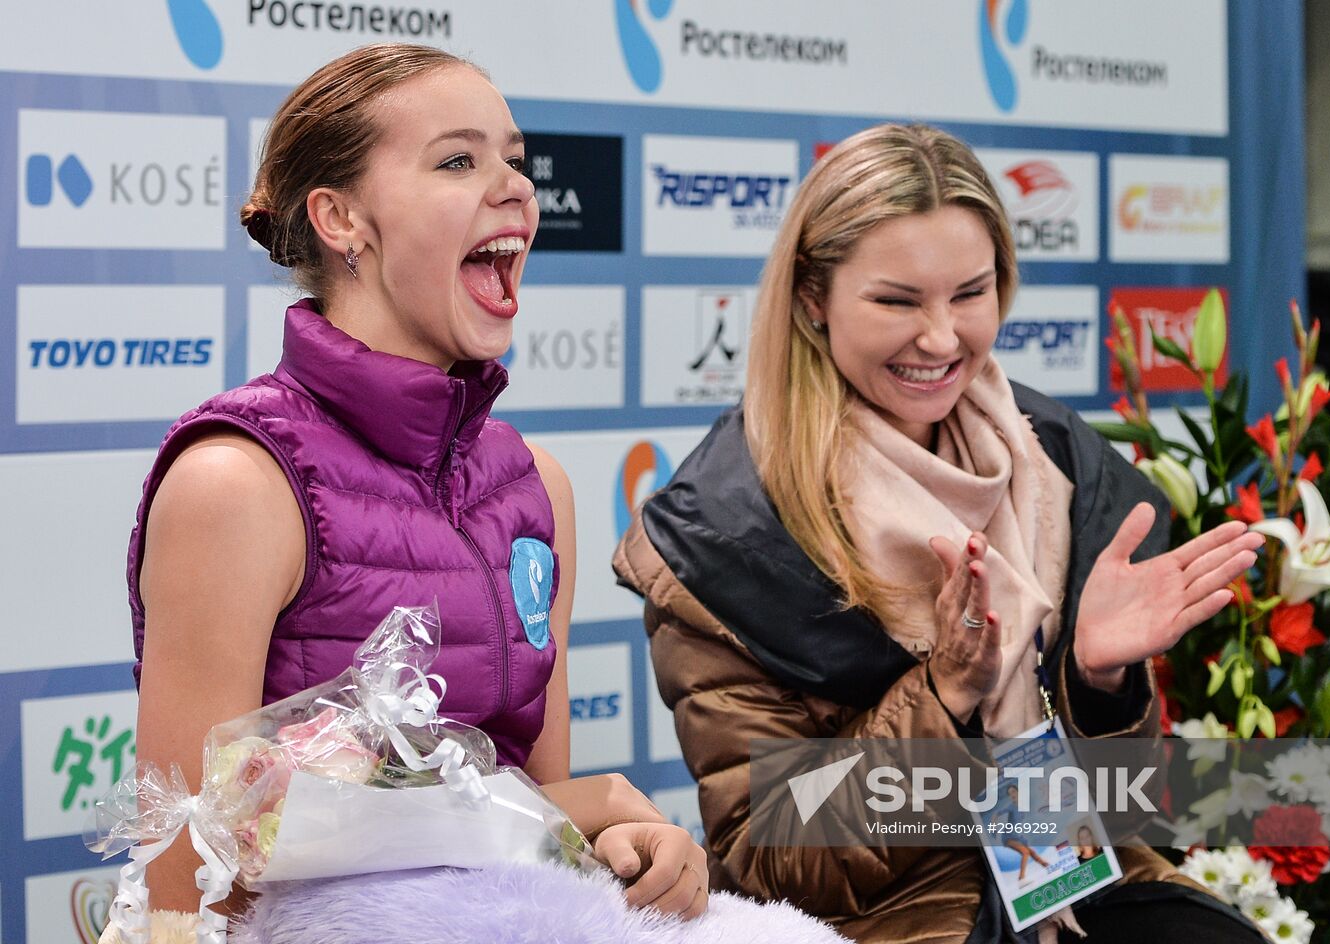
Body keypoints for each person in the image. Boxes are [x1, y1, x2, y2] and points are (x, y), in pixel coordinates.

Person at [613, 124, 1268, 942]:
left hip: (1073, 880)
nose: (940, 337)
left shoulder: (1052, 461)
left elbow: (1116, 801)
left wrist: (1101, 684)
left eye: (970, 293)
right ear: (812, 298)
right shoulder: (728, 526)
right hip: (898, 917)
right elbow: (770, 853)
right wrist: (945, 693)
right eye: (896, 301)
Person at [123, 43, 706, 936]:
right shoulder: (235, 479)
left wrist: (625, 846)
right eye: (459, 160)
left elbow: (540, 817)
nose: (514, 185)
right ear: (340, 218)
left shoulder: (534, 484)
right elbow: (185, 878)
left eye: (514, 156)